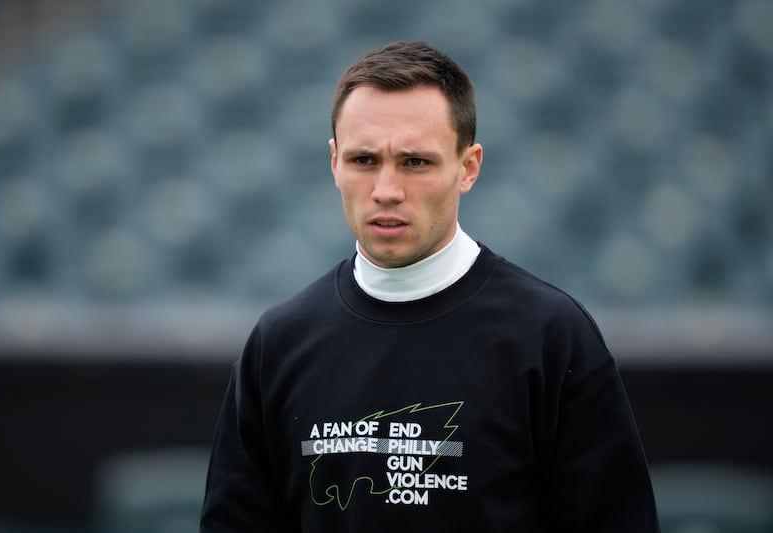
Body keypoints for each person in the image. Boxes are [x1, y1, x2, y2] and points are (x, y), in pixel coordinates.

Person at [200, 41, 659, 532]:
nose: (386, 190)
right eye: (363, 160)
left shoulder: (550, 336)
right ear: (333, 163)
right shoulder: (279, 343)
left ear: (468, 167)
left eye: (415, 162)